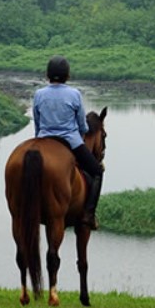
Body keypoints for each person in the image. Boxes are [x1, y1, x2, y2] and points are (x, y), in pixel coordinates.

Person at [33, 55, 103, 230]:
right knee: (96, 171)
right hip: (70, 141)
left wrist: (40, 138)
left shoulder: (39, 94)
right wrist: (78, 136)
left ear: (47, 75)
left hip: (43, 138)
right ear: (67, 76)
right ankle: (89, 213)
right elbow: (82, 126)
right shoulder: (74, 94)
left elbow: (37, 121)